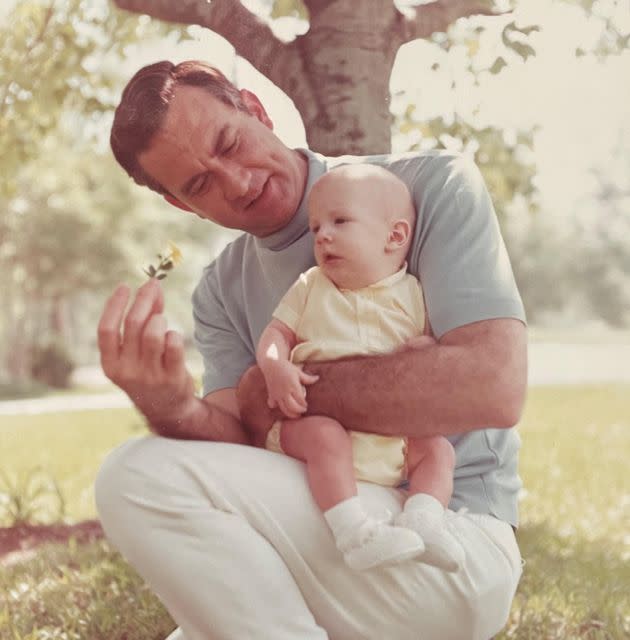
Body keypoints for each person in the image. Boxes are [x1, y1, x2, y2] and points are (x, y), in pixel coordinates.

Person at [96, 60, 527, 640]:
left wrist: (274, 395)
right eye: (200, 185)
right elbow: (240, 449)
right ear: (183, 207)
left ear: (255, 107)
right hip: (333, 541)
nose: (239, 182)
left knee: (133, 475)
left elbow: (492, 387)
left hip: (448, 539)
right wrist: (171, 408)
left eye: (230, 142)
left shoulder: (428, 188)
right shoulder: (220, 291)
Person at [257, 164, 464, 572]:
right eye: (316, 228)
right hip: (312, 424)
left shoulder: (413, 293)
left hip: (390, 441)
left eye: (340, 221)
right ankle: (355, 534)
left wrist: (425, 349)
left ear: (395, 236)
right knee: (326, 436)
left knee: (437, 449)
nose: (323, 236)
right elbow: (275, 336)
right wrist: (275, 368)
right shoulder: (311, 285)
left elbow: (430, 349)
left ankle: (424, 516)